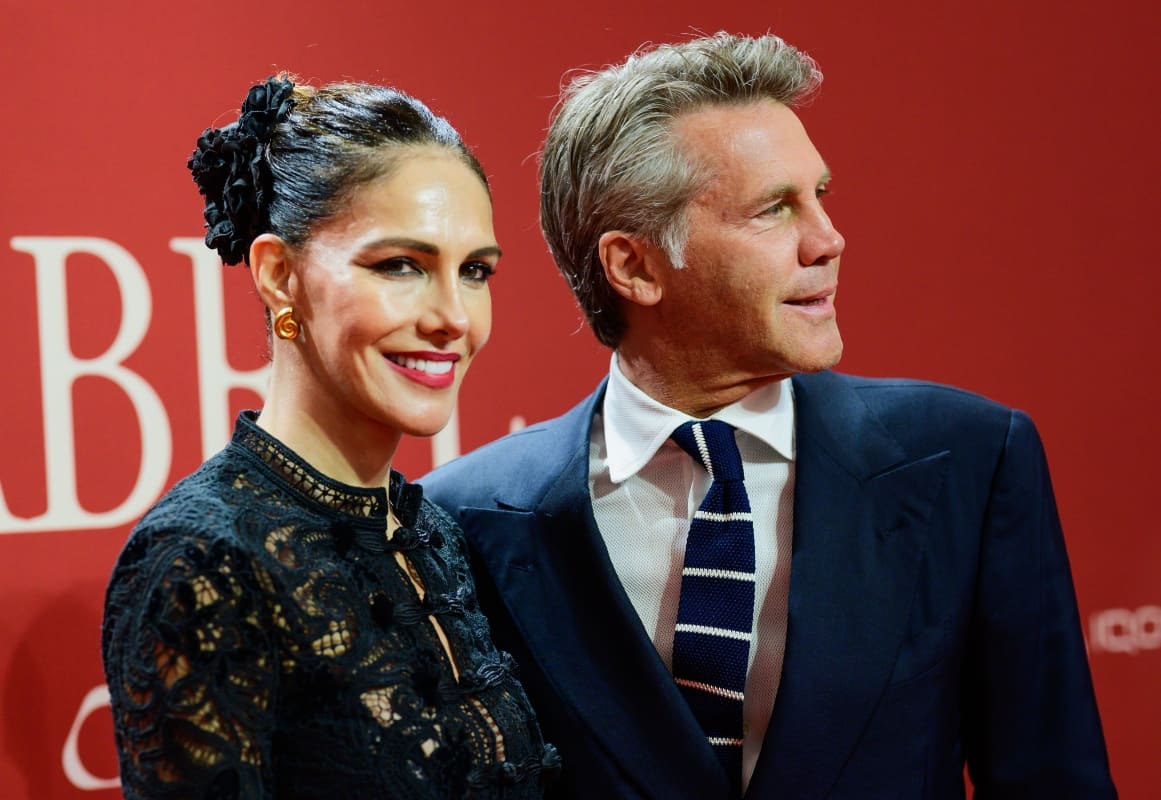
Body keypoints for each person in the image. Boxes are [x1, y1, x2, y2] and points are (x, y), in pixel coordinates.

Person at [420, 33, 1116, 799]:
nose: (826, 239)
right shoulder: (463, 518)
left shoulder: (969, 458)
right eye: (773, 209)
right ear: (636, 266)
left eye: (820, 194)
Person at [101, 75, 558, 799]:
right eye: (400, 265)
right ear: (279, 276)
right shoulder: (201, 558)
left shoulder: (429, 531)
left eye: (474, 272)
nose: (453, 317)